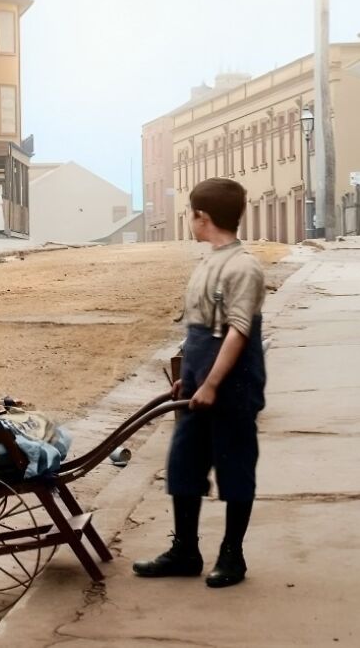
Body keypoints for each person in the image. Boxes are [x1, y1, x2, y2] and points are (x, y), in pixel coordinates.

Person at [132, 177, 266, 589]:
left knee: (235, 468)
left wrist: (210, 384)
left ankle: (232, 555)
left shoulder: (243, 266)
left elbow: (238, 331)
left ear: (202, 217)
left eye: (191, 214)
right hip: (198, 382)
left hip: (233, 387)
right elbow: (198, 328)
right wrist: (187, 379)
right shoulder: (209, 260)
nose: (190, 221)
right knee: (184, 465)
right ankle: (185, 551)